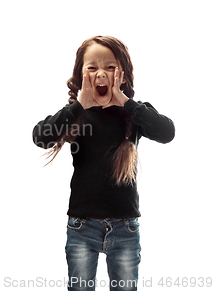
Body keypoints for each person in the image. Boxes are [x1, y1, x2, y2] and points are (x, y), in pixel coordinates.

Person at [32, 36, 174, 290]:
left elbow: (167, 132)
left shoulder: (135, 112)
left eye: (110, 67)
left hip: (125, 227)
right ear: (81, 74)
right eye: (92, 67)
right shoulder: (76, 114)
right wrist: (79, 105)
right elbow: (40, 137)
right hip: (82, 226)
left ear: (123, 74)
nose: (101, 73)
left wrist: (126, 103)